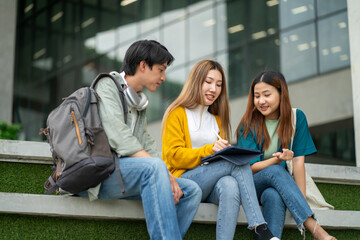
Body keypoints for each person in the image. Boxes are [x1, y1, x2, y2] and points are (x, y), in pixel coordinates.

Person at [77, 40, 202, 240]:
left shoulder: (138, 101)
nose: (163, 77)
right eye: (161, 70)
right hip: (98, 177)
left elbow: (146, 143)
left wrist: (167, 175)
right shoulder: (107, 85)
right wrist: (160, 170)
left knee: (191, 191)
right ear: (143, 65)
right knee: (153, 168)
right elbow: (118, 135)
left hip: (125, 175)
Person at [161, 60, 279, 240]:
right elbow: (173, 156)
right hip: (184, 181)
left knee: (230, 184)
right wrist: (209, 150)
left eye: (218, 85)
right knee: (236, 163)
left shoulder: (217, 120)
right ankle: (259, 226)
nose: (214, 89)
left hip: (211, 185)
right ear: (196, 82)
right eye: (208, 82)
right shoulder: (177, 113)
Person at [236, 70, 336, 240]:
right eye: (257, 96)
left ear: (281, 94)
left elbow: (298, 162)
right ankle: (315, 229)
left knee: (272, 196)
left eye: (267, 95)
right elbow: (251, 168)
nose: (261, 101)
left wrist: (298, 200)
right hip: (250, 186)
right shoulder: (248, 124)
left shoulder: (296, 118)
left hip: (275, 187)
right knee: (275, 170)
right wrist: (276, 160)